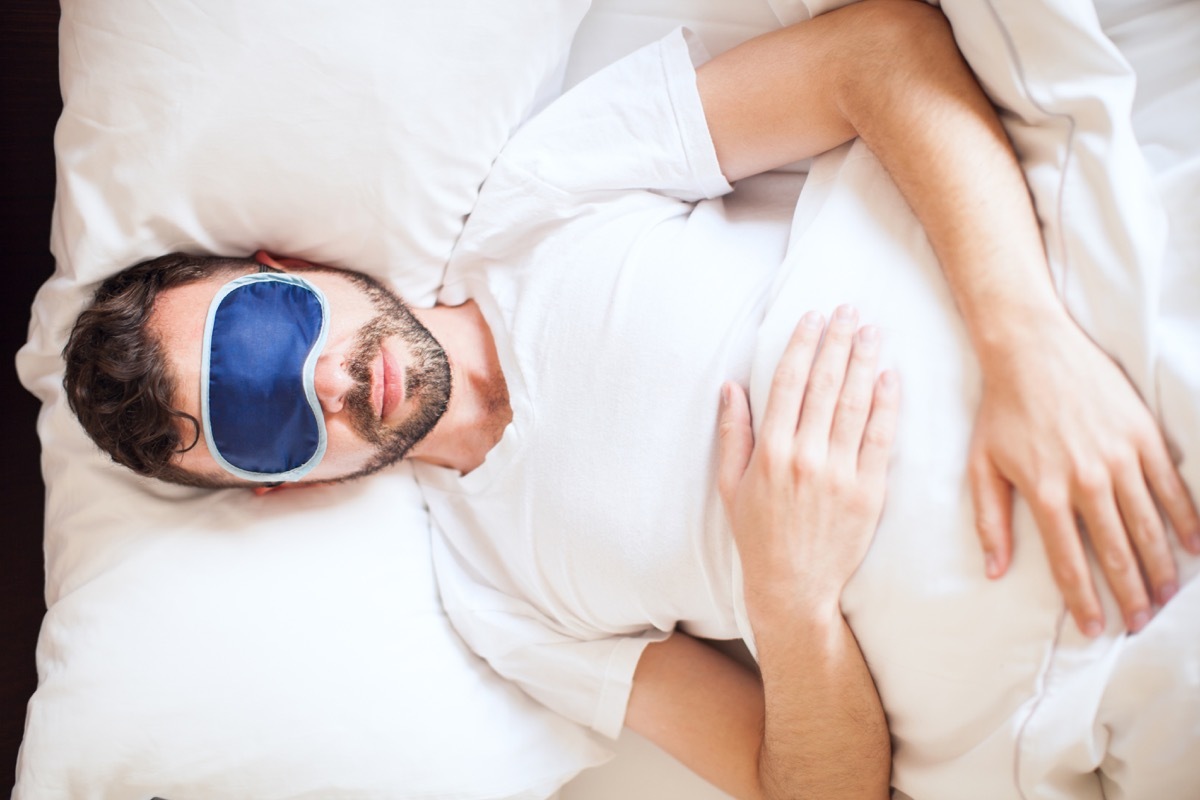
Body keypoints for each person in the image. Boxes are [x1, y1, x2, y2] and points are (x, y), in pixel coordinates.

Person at [62, 1, 1198, 796]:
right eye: (264, 418)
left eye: (270, 334)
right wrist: (791, 595)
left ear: (281, 264)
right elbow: (811, 790)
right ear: (273, 491)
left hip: (1112, 357)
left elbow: (874, 53)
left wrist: (1027, 349)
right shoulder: (502, 605)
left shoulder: (542, 198)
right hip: (1124, 661)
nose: (321, 379)